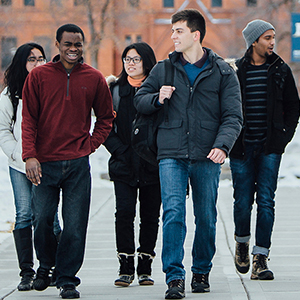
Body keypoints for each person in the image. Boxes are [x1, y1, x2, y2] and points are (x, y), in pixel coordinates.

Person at [134, 9, 243, 299]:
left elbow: (233, 116)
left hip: (208, 156)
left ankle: (202, 271)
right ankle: (174, 277)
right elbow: (139, 100)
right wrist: (158, 98)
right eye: (172, 31)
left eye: (178, 31)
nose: (173, 36)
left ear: (195, 34)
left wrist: (222, 145)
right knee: (173, 213)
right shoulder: (163, 69)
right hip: (171, 153)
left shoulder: (222, 71)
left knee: (206, 216)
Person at [21, 24, 114, 299]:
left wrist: (90, 144)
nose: (73, 49)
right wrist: (30, 155)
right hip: (44, 164)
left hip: (76, 165)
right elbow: (29, 120)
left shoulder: (94, 78)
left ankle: (67, 279)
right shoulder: (39, 76)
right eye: (68, 44)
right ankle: (47, 265)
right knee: (43, 221)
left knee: (75, 225)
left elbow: (107, 118)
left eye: (78, 44)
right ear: (58, 45)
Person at [230, 20, 300, 280]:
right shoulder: (236, 71)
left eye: (273, 38)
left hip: (270, 147)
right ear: (254, 41)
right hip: (242, 148)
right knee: (242, 202)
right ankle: (242, 243)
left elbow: (294, 107)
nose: (272, 42)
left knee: (267, 202)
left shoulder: (281, 70)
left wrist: (283, 138)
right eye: (267, 38)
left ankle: (260, 257)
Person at [0, 43, 61, 291]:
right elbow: (4, 130)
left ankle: (55, 268)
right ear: (21, 63)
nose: (37, 63)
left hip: (47, 164)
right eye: (31, 59)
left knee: (48, 217)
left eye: (41, 58)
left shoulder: (50, 89)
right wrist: (21, 155)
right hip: (18, 165)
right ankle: (27, 272)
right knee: (24, 214)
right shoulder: (9, 95)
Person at [104, 42, 161, 287]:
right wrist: (120, 151)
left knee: (150, 216)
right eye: (127, 59)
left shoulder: (159, 90)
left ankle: (145, 265)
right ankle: (125, 265)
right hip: (124, 163)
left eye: (136, 59)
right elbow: (105, 126)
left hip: (153, 165)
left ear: (147, 62)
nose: (130, 63)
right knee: (124, 213)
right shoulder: (115, 90)